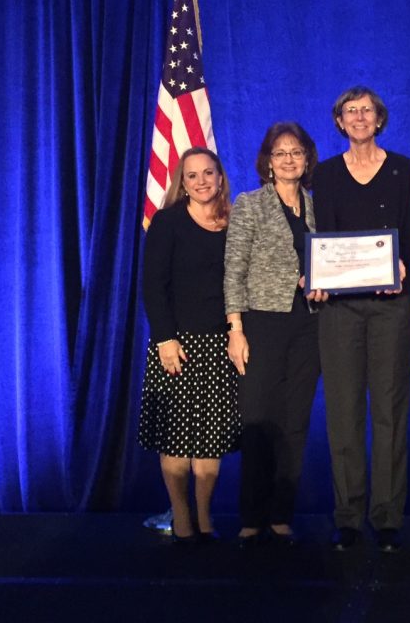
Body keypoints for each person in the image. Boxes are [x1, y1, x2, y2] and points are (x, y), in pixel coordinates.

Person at [311, 86, 410, 553]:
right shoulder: (327, 173)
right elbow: (321, 236)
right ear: (339, 121)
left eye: (366, 110)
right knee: (343, 412)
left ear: (379, 119)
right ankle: (349, 516)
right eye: (349, 111)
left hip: (391, 303)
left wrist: (404, 262)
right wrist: (315, 275)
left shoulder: (402, 168)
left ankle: (389, 517)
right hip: (338, 308)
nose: (358, 117)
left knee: (390, 410)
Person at [224, 122, 324, 548]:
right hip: (261, 323)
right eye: (279, 152)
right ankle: (252, 515)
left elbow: (329, 261)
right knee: (258, 421)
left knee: (295, 422)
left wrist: (324, 282)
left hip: (309, 324)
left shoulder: (317, 205)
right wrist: (236, 328)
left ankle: (282, 513)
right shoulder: (249, 205)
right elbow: (234, 269)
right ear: (267, 160)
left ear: (306, 159)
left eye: (295, 152)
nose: (288, 159)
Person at [139, 146, 241, 543]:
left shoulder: (234, 223)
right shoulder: (167, 222)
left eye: (209, 174)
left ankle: (204, 516)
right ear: (182, 181)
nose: (202, 181)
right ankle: (181, 517)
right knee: (178, 435)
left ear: (220, 179)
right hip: (176, 345)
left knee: (210, 440)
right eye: (193, 175)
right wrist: (165, 337)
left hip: (220, 345)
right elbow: (153, 285)